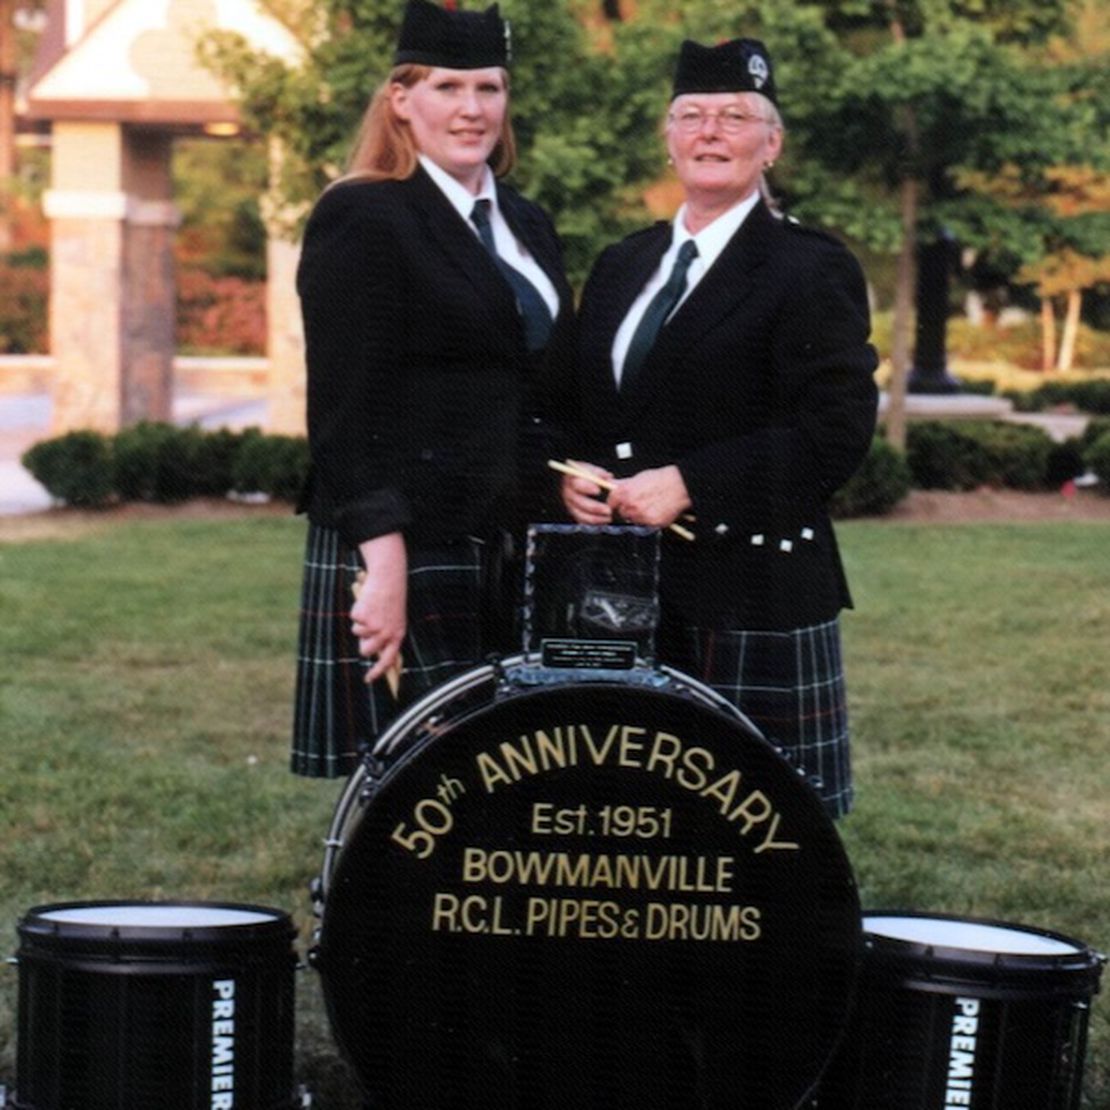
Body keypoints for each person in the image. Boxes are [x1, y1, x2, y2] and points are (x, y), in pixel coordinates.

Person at [548, 37, 878, 818]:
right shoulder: (624, 264)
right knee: (625, 809)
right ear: (668, 140)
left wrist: (693, 484)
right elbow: (581, 406)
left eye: (736, 117)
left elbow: (837, 430)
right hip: (616, 585)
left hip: (751, 588)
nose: (710, 132)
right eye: (691, 115)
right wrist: (572, 479)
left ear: (772, 145)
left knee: (761, 827)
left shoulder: (807, 266)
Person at [292, 0, 572, 778]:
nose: (472, 109)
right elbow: (345, 409)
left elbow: (530, 384)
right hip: (411, 538)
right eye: (448, 87)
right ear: (402, 101)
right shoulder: (364, 214)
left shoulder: (526, 221)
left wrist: (564, 481)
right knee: (419, 786)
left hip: (511, 537)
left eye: (489, 87)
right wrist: (382, 565)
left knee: (511, 770)